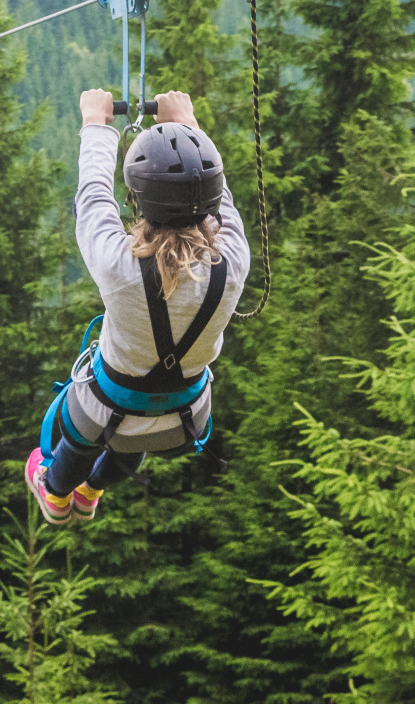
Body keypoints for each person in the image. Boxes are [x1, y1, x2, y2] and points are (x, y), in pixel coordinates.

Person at [26, 88, 251, 524]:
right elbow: (223, 203)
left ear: (139, 202)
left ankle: (56, 495)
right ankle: (91, 490)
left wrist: (97, 125)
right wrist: (189, 126)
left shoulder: (120, 266)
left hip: (102, 408)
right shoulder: (232, 262)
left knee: (89, 431)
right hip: (186, 417)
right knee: (141, 424)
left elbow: (92, 197)